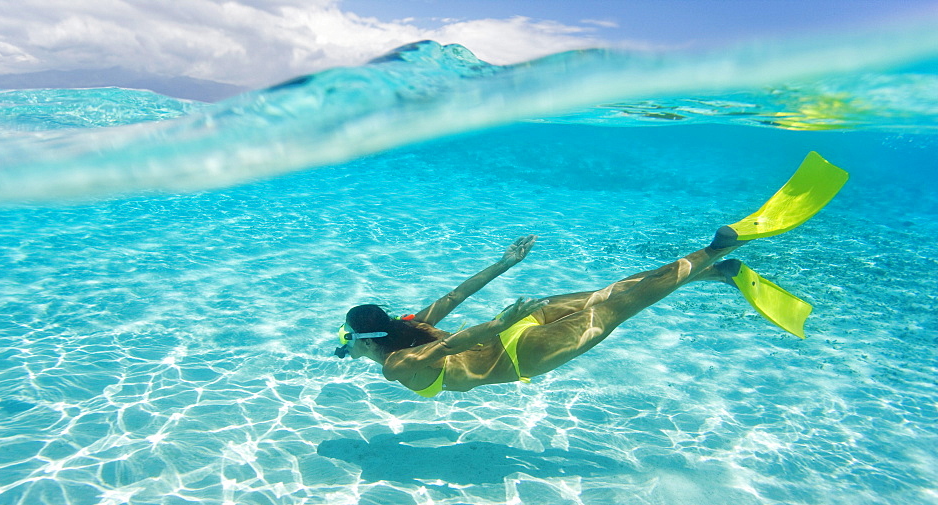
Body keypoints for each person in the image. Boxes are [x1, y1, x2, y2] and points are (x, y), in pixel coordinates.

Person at [335, 152, 848, 397]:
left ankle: (715, 252)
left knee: (622, 304)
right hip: (516, 321)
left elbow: (450, 348)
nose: (347, 345)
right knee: (617, 291)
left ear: (365, 340)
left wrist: (498, 325)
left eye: (347, 339)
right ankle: (712, 269)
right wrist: (506, 265)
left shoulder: (395, 364)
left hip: (519, 351)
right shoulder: (409, 322)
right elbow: (457, 295)